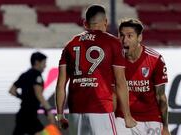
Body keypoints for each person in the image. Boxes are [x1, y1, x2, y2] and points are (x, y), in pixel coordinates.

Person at [55, 4, 137, 135]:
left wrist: (59, 116)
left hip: (76, 109)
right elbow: (120, 81)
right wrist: (127, 115)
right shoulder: (113, 43)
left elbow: (60, 85)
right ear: (106, 22)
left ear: (85, 23)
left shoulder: (70, 44)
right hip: (101, 108)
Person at [115, 18, 171, 135]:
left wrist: (165, 127)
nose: (124, 40)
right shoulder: (115, 60)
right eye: (121, 35)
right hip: (122, 118)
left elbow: (161, 97)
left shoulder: (155, 59)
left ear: (139, 37)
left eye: (130, 36)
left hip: (151, 119)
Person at [9, 52, 55, 135]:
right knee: (47, 133)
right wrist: (48, 110)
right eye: (44, 63)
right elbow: (38, 94)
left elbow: (12, 90)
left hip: (22, 114)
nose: (45, 66)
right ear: (37, 62)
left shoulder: (24, 75)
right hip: (30, 116)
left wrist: (23, 97)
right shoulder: (37, 76)